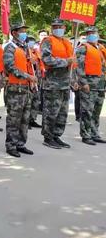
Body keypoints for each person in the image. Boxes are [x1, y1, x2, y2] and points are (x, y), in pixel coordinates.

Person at [40, 18, 74, 149]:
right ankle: (48, 137)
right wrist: (66, 61)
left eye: (60, 26)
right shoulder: (48, 41)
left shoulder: (67, 42)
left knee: (62, 112)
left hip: (65, 83)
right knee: (51, 111)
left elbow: (73, 63)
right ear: (52, 28)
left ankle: (56, 135)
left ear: (65, 28)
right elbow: (47, 60)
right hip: (52, 83)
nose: (58, 29)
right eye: (55, 27)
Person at [3, 23, 36, 157]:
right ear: (14, 33)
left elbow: (28, 66)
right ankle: (11, 145)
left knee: (24, 118)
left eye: (25, 31)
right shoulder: (10, 48)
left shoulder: (25, 48)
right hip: (15, 89)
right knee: (14, 119)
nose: (24, 33)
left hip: (26, 88)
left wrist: (32, 67)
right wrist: (28, 76)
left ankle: (20, 144)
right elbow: (10, 67)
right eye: (22, 31)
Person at [75, 26, 106, 145]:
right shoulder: (83, 48)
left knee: (96, 111)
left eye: (94, 32)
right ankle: (86, 135)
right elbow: (79, 67)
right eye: (89, 33)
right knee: (87, 110)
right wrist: (83, 83)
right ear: (87, 35)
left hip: (100, 84)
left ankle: (94, 133)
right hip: (89, 84)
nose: (92, 35)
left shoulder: (101, 48)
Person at [27, 36, 43, 129]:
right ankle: (27, 120)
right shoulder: (25, 53)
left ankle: (32, 119)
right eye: (30, 42)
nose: (32, 44)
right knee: (29, 101)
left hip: (38, 80)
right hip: (30, 81)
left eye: (33, 42)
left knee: (36, 101)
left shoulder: (37, 52)